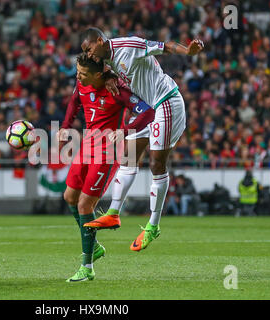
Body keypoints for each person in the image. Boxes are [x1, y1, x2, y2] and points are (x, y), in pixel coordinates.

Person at [80, 27, 204, 251]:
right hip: (150, 108)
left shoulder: (129, 46)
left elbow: (164, 46)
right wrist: (108, 75)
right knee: (128, 156)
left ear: (100, 41)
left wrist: (188, 51)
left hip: (167, 102)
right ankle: (113, 213)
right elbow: (110, 69)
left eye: (89, 49)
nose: (88, 55)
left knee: (157, 163)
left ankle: (153, 226)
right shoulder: (106, 59)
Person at [58, 53, 154, 282]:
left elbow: (148, 112)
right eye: (78, 72)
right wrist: (65, 126)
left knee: (84, 204)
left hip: (106, 153)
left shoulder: (117, 91)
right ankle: (95, 246)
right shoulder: (82, 83)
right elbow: (74, 102)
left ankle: (87, 265)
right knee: (69, 196)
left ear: (99, 74)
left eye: (83, 73)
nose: (78, 77)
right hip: (87, 146)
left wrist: (126, 130)